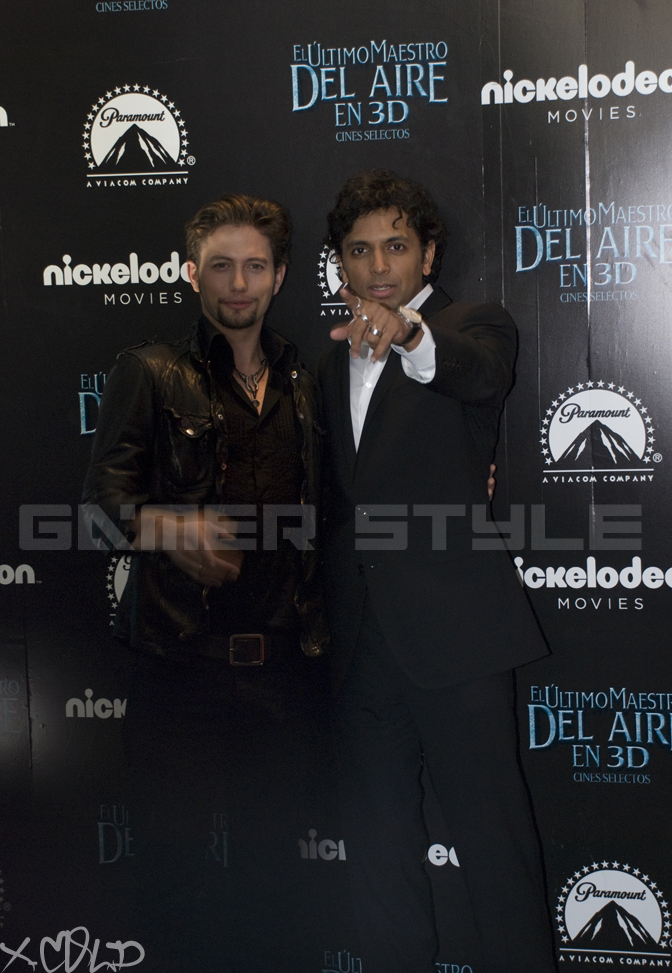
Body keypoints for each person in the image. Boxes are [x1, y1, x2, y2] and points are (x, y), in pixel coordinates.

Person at [82, 193, 330, 972]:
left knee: (277, 882)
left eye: (255, 265)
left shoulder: (306, 382)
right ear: (192, 274)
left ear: (280, 275)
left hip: (283, 674)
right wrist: (168, 527)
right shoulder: (150, 371)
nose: (238, 282)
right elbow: (100, 505)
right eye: (220, 265)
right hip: (178, 671)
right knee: (176, 882)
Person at [318, 169, 557, 973]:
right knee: (379, 854)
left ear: (428, 254)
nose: (378, 264)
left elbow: (477, 372)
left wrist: (411, 336)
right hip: (359, 643)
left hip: (458, 637)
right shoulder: (326, 363)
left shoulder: (473, 325)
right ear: (340, 264)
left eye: (396, 245)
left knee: (495, 848)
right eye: (360, 250)